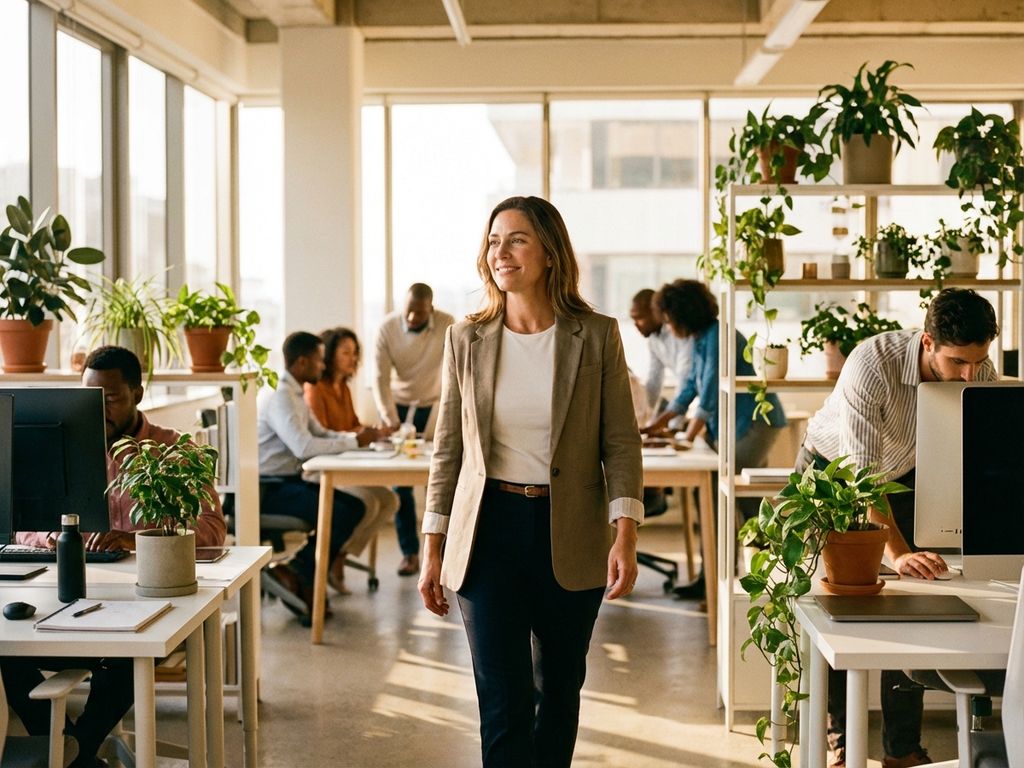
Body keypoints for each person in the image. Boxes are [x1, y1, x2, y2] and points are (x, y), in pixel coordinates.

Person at [418, 195, 643, 768]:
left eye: (516, 239)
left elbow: (620, 441)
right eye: (494, 240)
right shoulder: (464, 339)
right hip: (488, 530)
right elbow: (448, 450)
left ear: (549, 251)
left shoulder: (595, 335)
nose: (501, 252)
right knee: (502, 698)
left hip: (568, 531)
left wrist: (625, 534)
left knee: (558, 692)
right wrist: (431, 548)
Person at [799, 287, 998, 768]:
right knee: (839, 606)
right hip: (834, 473)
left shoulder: (977, 369)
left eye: (978, 362)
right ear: (928, 343)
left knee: (915, 606)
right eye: (958, 363)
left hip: (905, 475)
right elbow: (862, 480)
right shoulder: (874, 364)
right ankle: (843, 740)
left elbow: (985, 454)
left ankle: (901, 749)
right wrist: (897, 552)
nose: (970, 375)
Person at [1, 345, 227, 768]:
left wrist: (134, 537)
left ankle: (74, 753)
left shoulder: (171, 451)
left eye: (111, 398)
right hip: (63, 600)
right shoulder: (59, 448)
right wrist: (51, 534)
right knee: (6, 654)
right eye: (90, 398)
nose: (98, 409)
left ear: (137, 394)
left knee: (129, 656)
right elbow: (18, 525)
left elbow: (212, 530)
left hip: (142, 605)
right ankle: (74, 753)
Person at [642, 280, 787, 598]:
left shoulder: (719, 336)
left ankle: (716, 580)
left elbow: (708, 392)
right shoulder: (700, 338)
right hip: (737, 425)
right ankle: (768, 577)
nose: (666, 325)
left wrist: (686, 434)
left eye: (668, 318)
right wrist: (655, 426)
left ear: (682, 314)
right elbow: (689, 388)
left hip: (755, 423)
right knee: (749, 503)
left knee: (717, 492)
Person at [258, 331, 372, 617]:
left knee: (353, 506)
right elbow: (303, 447)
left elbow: (320, 433)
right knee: (345, 510)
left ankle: (299, 569)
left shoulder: (295, 392)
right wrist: (353, 441)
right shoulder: (281, 396)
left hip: (288, 483)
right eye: (319, 361)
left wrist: (357, 438)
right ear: (301, 362)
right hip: (268, 490)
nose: (323, 366)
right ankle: (301, 570)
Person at [304, 326, 400, 594]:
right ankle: (335, 558)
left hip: (347, 466)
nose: (352, 358)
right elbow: (323, 434)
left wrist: (376, 431)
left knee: (390, 499)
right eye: (345, 352)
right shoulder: (316, 389)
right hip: (324, 470)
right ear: (329, 355)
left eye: (355, 352)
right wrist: (361, 434)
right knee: (368, 501)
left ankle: (340, 553)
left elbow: (353, 426)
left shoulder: (343, 388)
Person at [373, 283, 455, 576]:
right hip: (398, 406)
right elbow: (380, 376)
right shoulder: (387, 328)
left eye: (418, 313)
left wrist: (451, 411)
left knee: (438, 480)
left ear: (430, 309)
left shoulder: (447, 323)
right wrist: (390, 418)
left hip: (433, 406)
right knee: (401, 484)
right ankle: (409, 553)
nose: (411, 318)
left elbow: (454, 369)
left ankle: (442, 555)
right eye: (408, 311)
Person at [629, 287, 694, 413]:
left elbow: (685, 378)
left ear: (654, 311)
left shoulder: (679, 331)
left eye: (639, 318)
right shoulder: (653, 341)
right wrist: (644, 418)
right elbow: (654, 382)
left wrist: (673, 424)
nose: (636, 325)